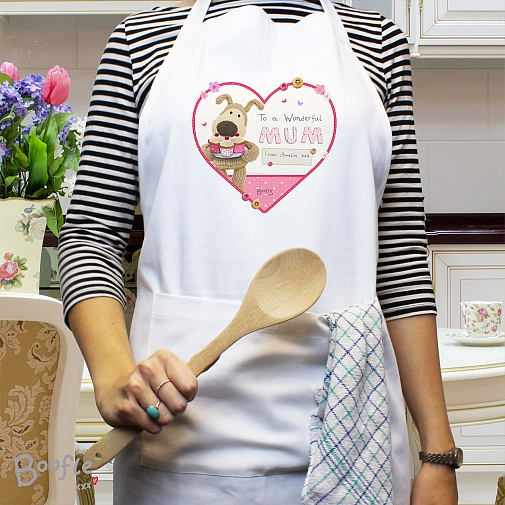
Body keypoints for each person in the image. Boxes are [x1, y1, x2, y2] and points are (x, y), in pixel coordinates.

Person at [57, 0, 459, 503]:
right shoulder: (140, 41)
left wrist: (438, 452)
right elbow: (91, 236)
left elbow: (400, 263)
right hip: (181, 429)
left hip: (358, 431)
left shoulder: (378, 42)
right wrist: (114, 376)